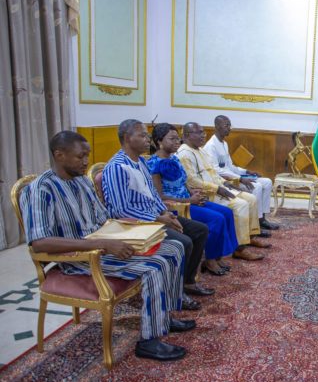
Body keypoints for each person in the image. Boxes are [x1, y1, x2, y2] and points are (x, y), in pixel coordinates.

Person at [21, 131, 194, 361]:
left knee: (174, 248)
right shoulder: (40, 189)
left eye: (87, 155)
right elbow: (40, 242)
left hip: (102, 246)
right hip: (78, 258)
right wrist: (103, 243)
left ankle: (163, 317)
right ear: (59, 155)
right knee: (155, 266)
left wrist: (137, 232)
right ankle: (149, 342)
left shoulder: (82, 181)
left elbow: (104, 219)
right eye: (80, 157)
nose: (86, 162)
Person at [102, 119, 213, 312]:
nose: (148, 139)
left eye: (147, 135)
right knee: (184, 242)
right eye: (142, 135)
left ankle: (187, 282)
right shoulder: (117, 167)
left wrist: (165, 213)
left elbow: (153, 194)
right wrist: (158, 219)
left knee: (200, 230)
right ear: (127, 138)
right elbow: (120, 210)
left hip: (155, 217)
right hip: (136, 225)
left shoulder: (140, 162)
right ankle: (175, 293)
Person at [148, 123, 245, 275]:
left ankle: (218, 255)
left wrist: (192, 192)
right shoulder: (154, 164)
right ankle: (210, 260)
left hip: (189, 199)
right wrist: (189, 201)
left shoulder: (174, 158)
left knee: (227, 212)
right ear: (159, 141)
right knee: (216, 219)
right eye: (172, 139)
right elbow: (159, 196)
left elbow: (184, 181)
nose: (177, 142)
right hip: (176, 206)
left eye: (178, 139)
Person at [176, 122, 270, 259]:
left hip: (219, 187)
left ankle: (249, 238)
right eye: (199, 133)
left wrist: (227, 183)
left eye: (203, 132)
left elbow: (214, 173)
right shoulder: (184, 154)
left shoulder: (200, 150)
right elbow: (192, 181)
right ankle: (239, 248)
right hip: (206, 193)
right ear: (187, 135)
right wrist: (218, 188)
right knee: (241, 205)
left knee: (251, 199)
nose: (203, 135)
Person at [204, 115, 279, 231]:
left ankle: (262, 219)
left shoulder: (224, 143)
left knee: (267, 182)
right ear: (217, 126)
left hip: (235, 176)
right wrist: (240, 178)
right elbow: (216, 171)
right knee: (256, 186)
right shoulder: (211, 146)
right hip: (226, 181)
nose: (229, 128)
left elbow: (230, 166)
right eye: (226, 125)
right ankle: (255, 224)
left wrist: (246, 171)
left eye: (230, 125)